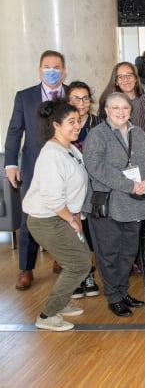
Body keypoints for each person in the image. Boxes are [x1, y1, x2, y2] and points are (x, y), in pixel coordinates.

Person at [83, 92, 145, 317]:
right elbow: (96, 168)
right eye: (114, 108)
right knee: (109, 253)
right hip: (109, 204)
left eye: (125, 108)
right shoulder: (97, 135)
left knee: (128, 252)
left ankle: (123, 291)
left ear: (130, 110)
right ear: (106, 111)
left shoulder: (139, 133)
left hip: (135, 204)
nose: (120, 112)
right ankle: (114, 297)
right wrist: (130, 185)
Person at [22, 99, 91, 331]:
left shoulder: (68, 148)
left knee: (80, 259)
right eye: (70, 122)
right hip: (47, 220)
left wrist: (76, 215)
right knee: (79, 264)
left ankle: (59, 303)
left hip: (61, 216)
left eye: (78, 121)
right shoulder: (51, 155)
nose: (77, 126)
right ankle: (47, 315)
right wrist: (72, 220)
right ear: (56, 125)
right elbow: (53, 199)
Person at [5, 50, 68, 291]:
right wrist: (10, 163)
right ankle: (26, 268)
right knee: (30, 214)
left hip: (65, 163)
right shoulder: (25, 96)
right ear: (39, 69)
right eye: (47, 67)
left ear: (64, 70)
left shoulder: (71, 93)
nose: (51, 71)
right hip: (33, 165)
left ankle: (61, 257)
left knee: (65, 209)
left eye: (56, 67)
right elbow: (14, 131)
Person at [66, 81, 102, 298]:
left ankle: (89, 272)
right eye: (76, 99)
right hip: (71, 187)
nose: (81, 103)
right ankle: (80, 274)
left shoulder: (99, 123)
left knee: (89, 233)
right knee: (73, 231)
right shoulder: (63, 124)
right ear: (68, 101)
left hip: (94, 185)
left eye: (85, 98)